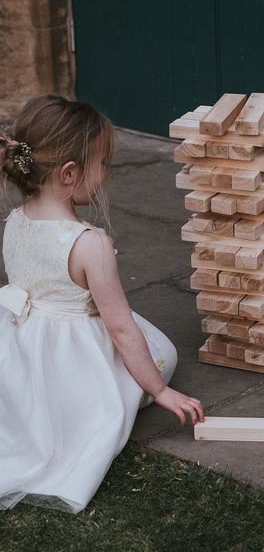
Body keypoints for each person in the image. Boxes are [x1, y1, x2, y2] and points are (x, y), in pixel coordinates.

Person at [0, 95, 204, 513]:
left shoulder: (15, 219)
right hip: (72, 359)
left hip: (22, 350)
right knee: (161, 350)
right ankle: (94, 401)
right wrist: (160, 390)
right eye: (103, 162)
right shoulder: (89, 244)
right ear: (70, 173)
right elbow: (122, 328)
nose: (107, 173)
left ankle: (40, 406)